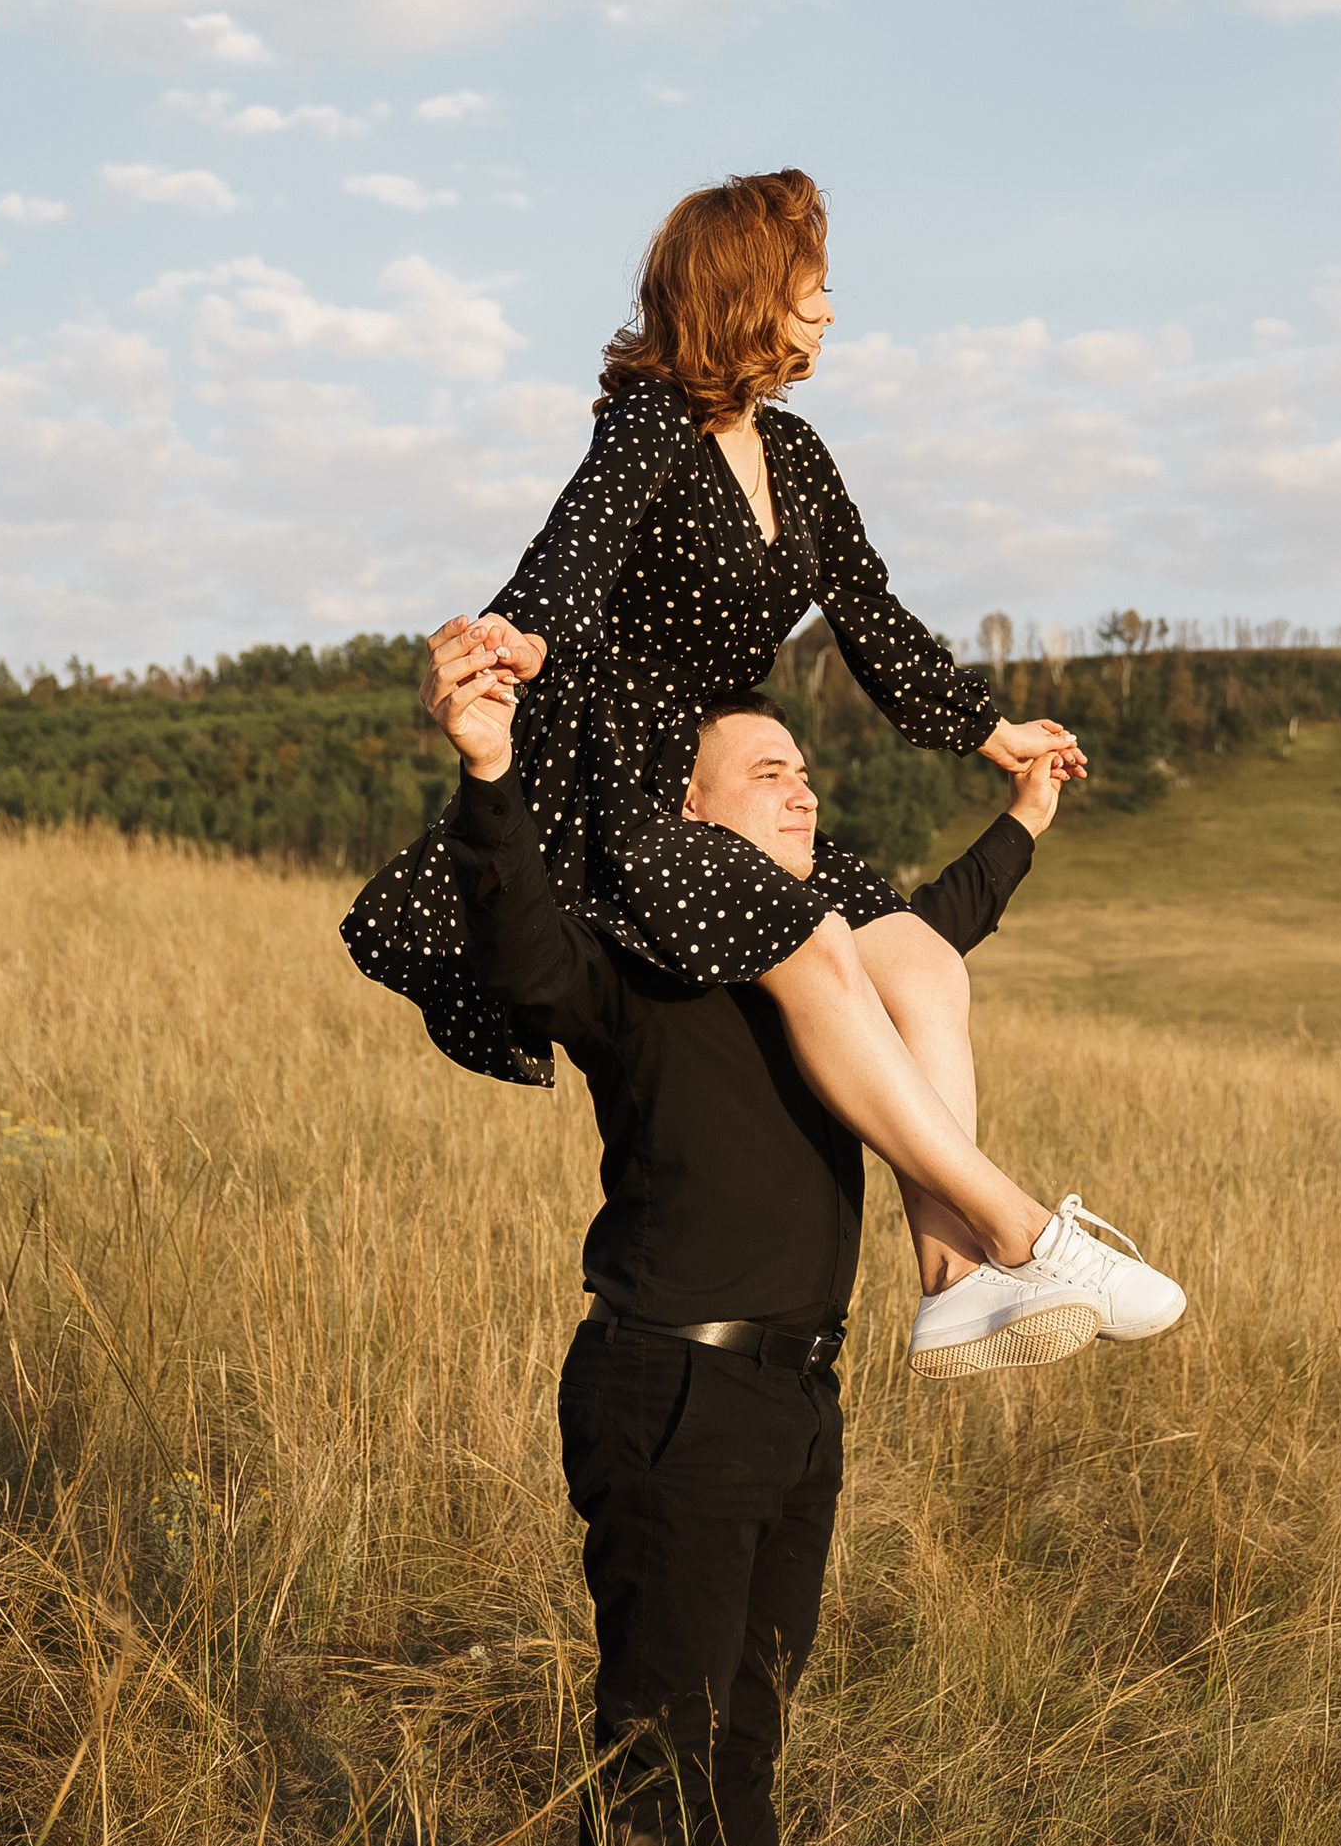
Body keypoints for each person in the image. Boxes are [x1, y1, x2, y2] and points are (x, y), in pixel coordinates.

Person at [347, 166, 1186, 1377]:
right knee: (818, 949)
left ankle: (947, 1277)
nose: (831, 314)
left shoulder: (793, 451)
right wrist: (518, 636)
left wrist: (991, 732)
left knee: (920, 960)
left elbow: (872, 617)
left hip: (728, 769)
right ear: (747, 294)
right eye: (815, 289)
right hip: (633, 793)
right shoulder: (646, 425)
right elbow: (571, 549)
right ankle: (1019, 1228)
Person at [423, 624, 1183, 1846]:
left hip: (795, 1397)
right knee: (663, 1730)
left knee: (752, 1718)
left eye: (805, 774)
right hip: (674, 1383)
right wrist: (490, 773)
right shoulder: (636, 965)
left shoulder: (822, 982)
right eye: (767, 769)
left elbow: (935, 934)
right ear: (683, 806)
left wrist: (1028, 815)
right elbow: (527, 957)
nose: (802, 788)